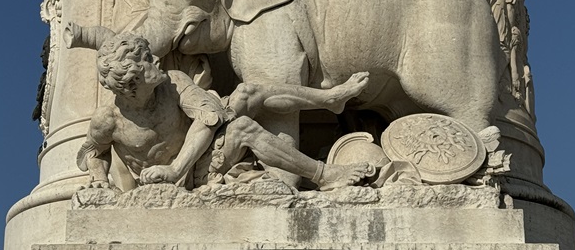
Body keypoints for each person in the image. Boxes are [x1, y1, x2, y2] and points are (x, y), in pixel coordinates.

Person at [77, 33, 373, 191]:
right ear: (132, 83)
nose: (156, 58)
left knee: (247, 92)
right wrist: (100, 181)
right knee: (244, 127)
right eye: (147, 60)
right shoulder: (108, 120)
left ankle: (330, 98)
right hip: (186, 180)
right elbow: (90, 154)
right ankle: (324, 175)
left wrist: (176, 166)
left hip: (190, 160)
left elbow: (209, 118)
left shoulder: (174, 82)